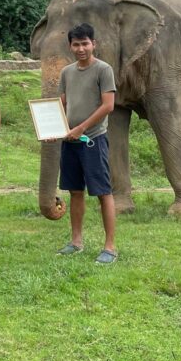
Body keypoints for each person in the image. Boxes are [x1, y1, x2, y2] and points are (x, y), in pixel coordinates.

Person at [55, 22, 117, 263]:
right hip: (70, 141)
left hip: (93, 140)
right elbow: (61, 103)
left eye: (85, 43)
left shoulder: (104, 70)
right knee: (75, 191)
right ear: (70, 46)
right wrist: (53, 128)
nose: (80, 48)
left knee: (103, 192)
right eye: (76, 44)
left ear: (94, 44)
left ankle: (110, 247)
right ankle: (76, 241)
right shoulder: (67, 72)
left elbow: (108, 105)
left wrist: (81, 127)